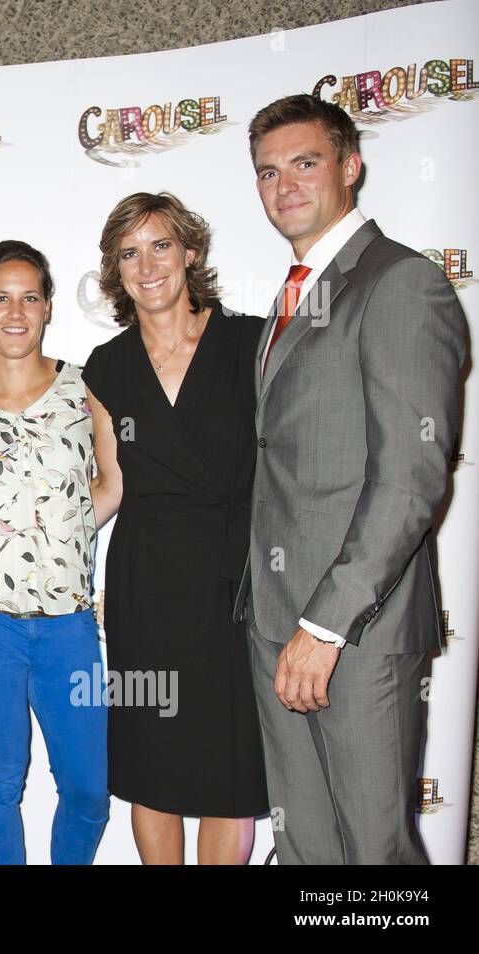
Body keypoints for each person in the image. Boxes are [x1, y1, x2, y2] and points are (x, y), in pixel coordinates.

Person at [236, 94, 466, 864]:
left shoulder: (401, 283)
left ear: (350, 165)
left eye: (305, 163)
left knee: (373, 857)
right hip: (276, 620)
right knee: (306, 847)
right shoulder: (292, 293)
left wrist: (325, 626)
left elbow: (409, 479)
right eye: (268, 172)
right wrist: (285, 623)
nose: (285, 186)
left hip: (353, 632)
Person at [83, 192, 268, 864]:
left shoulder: (252, 343)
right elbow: (112, 485)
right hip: (146, 584)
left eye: (161, 245)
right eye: (129, 252)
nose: (147, 264)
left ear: (190, 252)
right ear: (115, 270)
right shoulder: (108, 366)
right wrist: (26, 533)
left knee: (228, 773)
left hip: (231, 586)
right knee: (152, 768)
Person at [0, 240, 109, 865]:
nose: (15, 311)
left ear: (48, 307)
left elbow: (110, 484)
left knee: (89, 789)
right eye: (0, 298)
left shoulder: (88, 391)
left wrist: (63, 531)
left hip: (68, 625)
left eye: (28, 297)